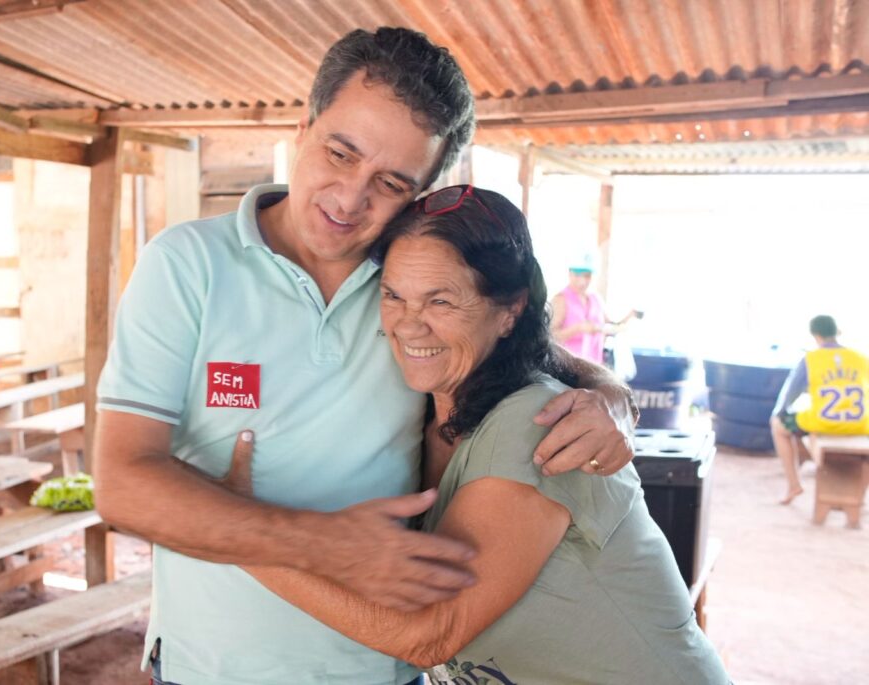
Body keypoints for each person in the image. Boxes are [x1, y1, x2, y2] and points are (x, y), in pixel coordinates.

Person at [93, 28, 638, 685]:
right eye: (340, 152)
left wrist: (609, 403)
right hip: (209, 666)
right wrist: (322, 540)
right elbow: (122, 485)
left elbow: (547, 359)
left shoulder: (414, 291)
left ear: (424, 190)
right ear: (303, 126)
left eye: (390, 182)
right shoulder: (186, 265)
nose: (350, 199)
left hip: (382, 670)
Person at [234, 186, 729, 684]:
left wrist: (238, 536)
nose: (410, 326)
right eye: (393, 295)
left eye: (441, 300)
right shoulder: (423, 405)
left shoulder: (535, 422)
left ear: (509, 309)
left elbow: (428, 635)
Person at [770, 315, 869, 505]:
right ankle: (860, 496)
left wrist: (780, 413)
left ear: (815, 334)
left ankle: (793, 484)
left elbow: (789, 396)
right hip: (860, 424)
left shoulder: (811, 359)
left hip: (824, 423)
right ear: (836, 332)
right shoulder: (861, 358)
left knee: (778, 425)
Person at [550, 255, 636, 364]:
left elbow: (610, 325)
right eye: (577, 275)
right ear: (569, 274)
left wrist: (628, 317)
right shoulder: (560, 299)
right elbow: (551, 336)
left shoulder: (595, 298)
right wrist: (578, 328)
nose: (582, 281)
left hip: (594, 364)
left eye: (587, 276)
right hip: (568, 365)